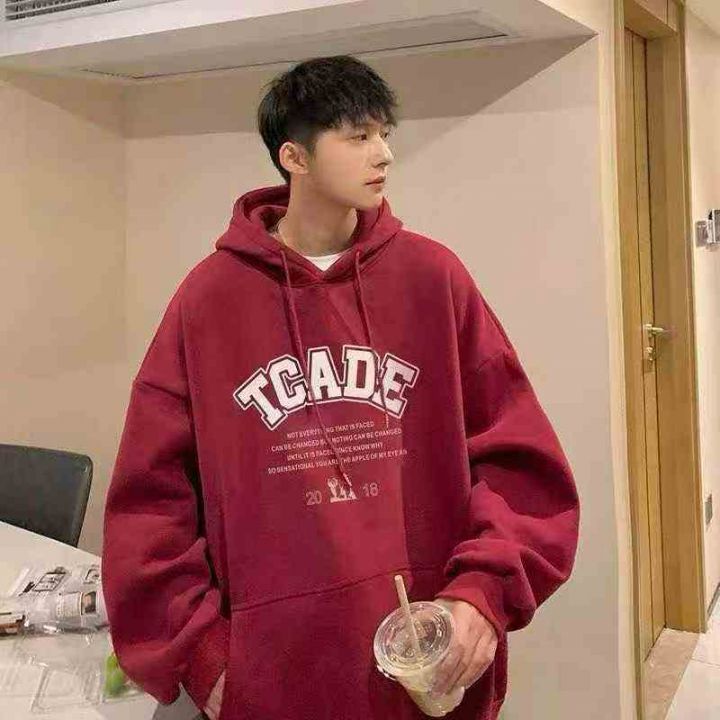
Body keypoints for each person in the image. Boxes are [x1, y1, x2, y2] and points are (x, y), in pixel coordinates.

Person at [101, 55, 580, 720]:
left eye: (384, 133)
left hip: (429, 664)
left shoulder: (433, 278)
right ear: (294, 157)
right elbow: (151, 502)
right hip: (274, 680)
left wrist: (482, 593)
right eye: (357, 136)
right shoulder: (208, 300)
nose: (383, 153)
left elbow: (519, 464)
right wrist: (204, 658)